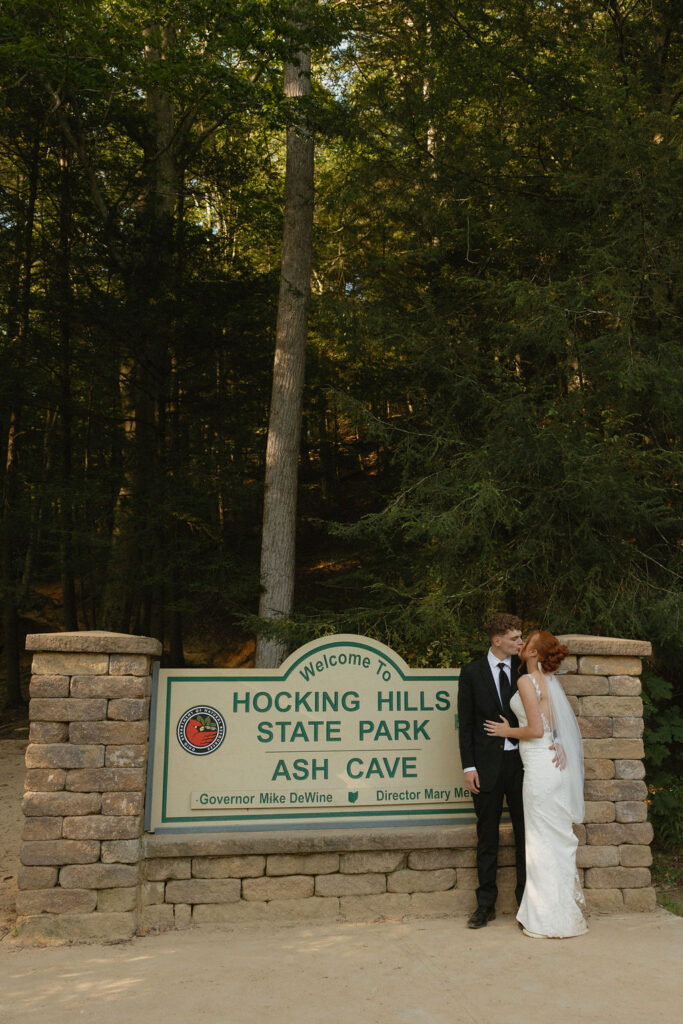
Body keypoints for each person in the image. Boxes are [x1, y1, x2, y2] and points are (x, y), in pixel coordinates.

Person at [485, 629, 587, 938]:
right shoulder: (548, 681)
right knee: (552, 840)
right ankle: (559, 915)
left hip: (540, 769)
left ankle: (545, 919)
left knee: (541, 842)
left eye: (526, 641)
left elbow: (535, 730)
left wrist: (506, 732)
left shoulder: (526, 681)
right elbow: (550, 728)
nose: (521, 643)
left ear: (532, 653)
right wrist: (557, 743)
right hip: (550, 765)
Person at [457, 613, 526, 928]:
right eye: (514, 638)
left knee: (526, 835)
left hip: (523, 765)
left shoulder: (524, 669)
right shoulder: (471, 673)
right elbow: (466, 724)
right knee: (487, 836)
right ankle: (485, 905)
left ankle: (527, 906)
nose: (520, 642)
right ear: (497, 640)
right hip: (485, 767)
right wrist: (469, 766)